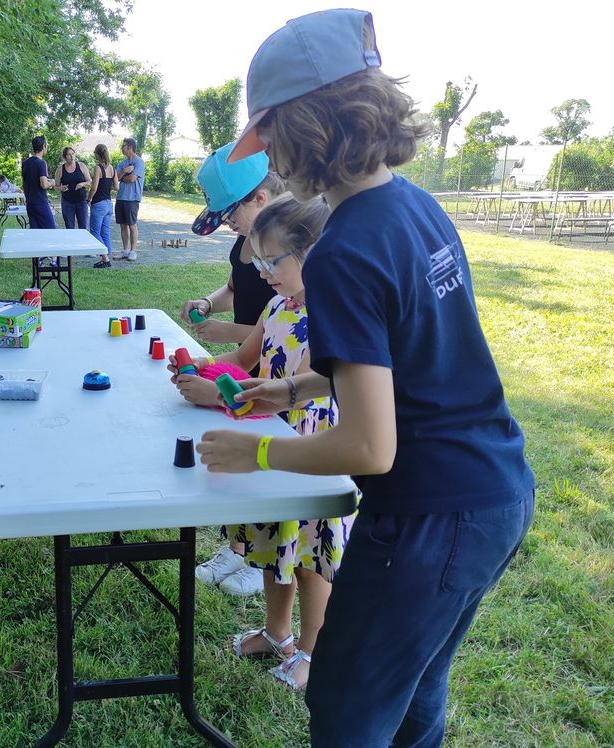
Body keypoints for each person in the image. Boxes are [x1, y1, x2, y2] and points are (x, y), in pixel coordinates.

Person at [198, 9, 534, 746]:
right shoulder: (413, 207)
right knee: (414, 699)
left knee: (348, 713)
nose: (272, 160)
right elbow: (406, 352)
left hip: (426, 518)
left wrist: (253, 449)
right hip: (495, 496)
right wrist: (293, 391)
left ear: (307, 122)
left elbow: (370, 447)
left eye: (272, 136)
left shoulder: (343, 251)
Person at [173, 194, 349, 691]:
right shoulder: (276, 306)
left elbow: (290, 397)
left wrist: (216, 394)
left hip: (310, 449)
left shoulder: (332, 315)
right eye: (259, 260)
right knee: (276, 547)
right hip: (269, 445)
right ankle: (277, 635)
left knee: (311, 558)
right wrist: (199, 370)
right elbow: (243, 365)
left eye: (273, 261)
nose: (263, 271)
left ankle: (313, 652)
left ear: (313, 253)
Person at [181, 141, 285, 596]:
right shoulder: (246, 245)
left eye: (229, 214)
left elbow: (277, 321)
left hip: (278, 369)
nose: (227, 224)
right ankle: (237, 546)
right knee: (240, 457)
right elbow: (231, 289)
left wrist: (229, 333)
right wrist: (208, 304)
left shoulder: (289, 252)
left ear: (259, 199)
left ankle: (261, 554)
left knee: (267, 464)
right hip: (247, 365)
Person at [21, 135, 57, 265]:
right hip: (40, 202)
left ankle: (38, 260)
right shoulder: (41, 163)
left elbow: (24, 183)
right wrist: (52, 182)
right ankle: (53, 260)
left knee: (35, 232)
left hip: (30, 202)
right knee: (51, 230)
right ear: (43, 147)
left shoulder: (26, 163)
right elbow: (43, 184)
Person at [88, 143, 118, 268]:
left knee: (95, 232)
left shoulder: (98, 168)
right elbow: (117, 187)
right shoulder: (112, 168)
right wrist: (106, 186)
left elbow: (94, 187)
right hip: (108, 204)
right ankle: (108, 255)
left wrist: (88, 199)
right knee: (105, 231)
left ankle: (105, 259)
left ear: (96, 154)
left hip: (98, 203)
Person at [114, 137, 145, 261]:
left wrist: (122, 178)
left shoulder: (139, 162)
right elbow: (115, 179)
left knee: (132, 225)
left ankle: (133, 251)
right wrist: (124, 172)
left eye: (124, 146)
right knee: (123, 225)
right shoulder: (122, 164)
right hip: (121, 197)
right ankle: (125, 250)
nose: (122, 148)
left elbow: (132, 179)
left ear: (130, 147)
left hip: (132, 199)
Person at [54, 146, 91, 230]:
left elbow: (90, 182)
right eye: (69, 154)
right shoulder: (60, 169)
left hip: (81, 201)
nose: (71, 156)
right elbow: (56, 187)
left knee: (83, 227)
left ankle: (82, 243)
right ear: (64, 157)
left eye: (73, 154)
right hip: (67, 202)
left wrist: (82, 184)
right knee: (70, 228)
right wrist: (61, 188)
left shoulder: (81, 166)